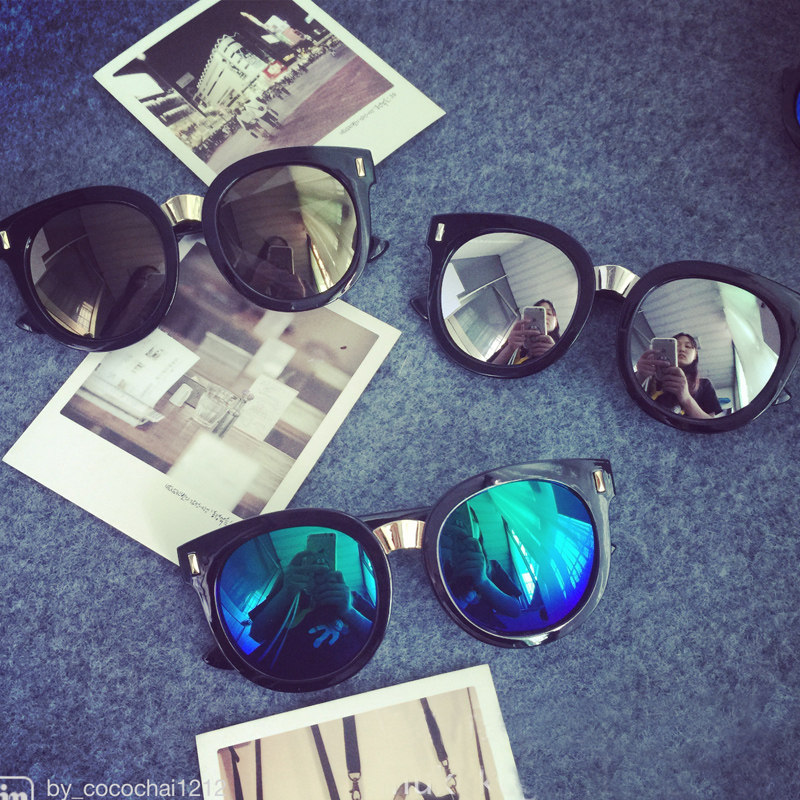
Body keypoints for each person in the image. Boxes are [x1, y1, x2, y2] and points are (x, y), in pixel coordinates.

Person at [245, 549, 374, 677]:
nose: (320, 567)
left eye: (325, 564)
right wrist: (287, 591)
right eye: (313, 566)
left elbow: (380, 636)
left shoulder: (351, 597)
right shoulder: (290, 596)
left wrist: (349, 611)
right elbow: (256, 634)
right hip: (263, 677)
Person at [635, 332, 722, 419]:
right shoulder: (649, 378)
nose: (682, 349)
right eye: (676, 345)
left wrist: (686, 398)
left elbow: (711, 424)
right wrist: (640, 376)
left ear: (695, 355)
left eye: (688, 346)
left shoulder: (704, 384)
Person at [489, 298, 560, 365]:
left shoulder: (561, 349)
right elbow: (489, 369)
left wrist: (554, 357)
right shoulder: (515, 341)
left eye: (549, 313)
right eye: (538, 314)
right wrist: (510, 348)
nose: (544, 316)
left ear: (556, 322)